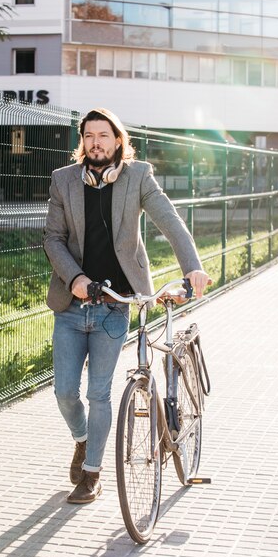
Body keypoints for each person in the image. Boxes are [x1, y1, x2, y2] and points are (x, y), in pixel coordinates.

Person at [43, 108, 210, 505]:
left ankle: (92, 474)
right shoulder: (63, 181)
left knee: (99, 394)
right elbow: (53, 239)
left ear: (118, 140)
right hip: (72, 304)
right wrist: (76, 279)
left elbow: (170, 220)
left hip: (116, 306)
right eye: (89, 136)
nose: (96, 142)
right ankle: (83, 441)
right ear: (82, 142)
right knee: (65, 391)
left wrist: (194, 267)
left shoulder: (138, 176)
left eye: (104, 135)